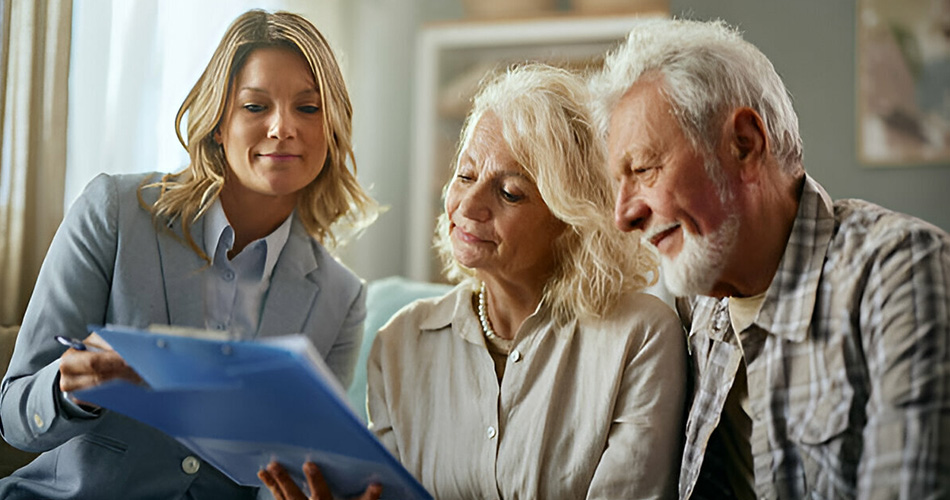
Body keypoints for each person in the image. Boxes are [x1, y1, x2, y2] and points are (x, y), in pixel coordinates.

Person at [260, 63, 687, 499]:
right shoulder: (399, 343)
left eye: (509, 193)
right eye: (465, 175)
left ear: (573, 219)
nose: (468, 205)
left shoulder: (640, 336)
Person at [0, 9, 377, 499]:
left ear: (331, 129)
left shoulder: (341, 297)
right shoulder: (115, 212)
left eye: (308, 108)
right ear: (219, 123)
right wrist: (67, 389)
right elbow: (14, 415)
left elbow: (287, 471)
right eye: (255, 106)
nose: (283, 128)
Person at [591, 18, 950, 499]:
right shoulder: (695, 303)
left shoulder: (898, 272)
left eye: (644, 169)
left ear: (745, 144)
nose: (624, 215)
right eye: (619, 183)